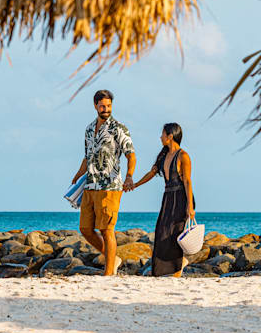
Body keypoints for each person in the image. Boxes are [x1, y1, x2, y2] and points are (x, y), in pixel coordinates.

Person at [71, 89, 135, 276]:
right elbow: (87, 156)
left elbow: (131, 154)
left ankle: (109, 272)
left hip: (110, 186)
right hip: (90, 185)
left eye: (108, 106)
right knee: (85, 229)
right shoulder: (89, 129)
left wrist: (130, 175)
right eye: (102, 106)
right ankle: (111, 258)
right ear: (95, 106)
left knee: (107, 229)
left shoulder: (118, 128)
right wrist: (78, 174)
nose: (106, 109)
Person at [129, 123, 195, 277]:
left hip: (181, 198)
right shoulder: (164, 155)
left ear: (170, 136)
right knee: (161, 232)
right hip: (168, 197)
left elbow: (187, 181)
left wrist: (190, 206)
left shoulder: (183, 156)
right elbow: (152, 173)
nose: (161, 137)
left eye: (163, 134)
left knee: (175, 234)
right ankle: (162, 270)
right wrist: (136, 185)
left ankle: (177, 270)